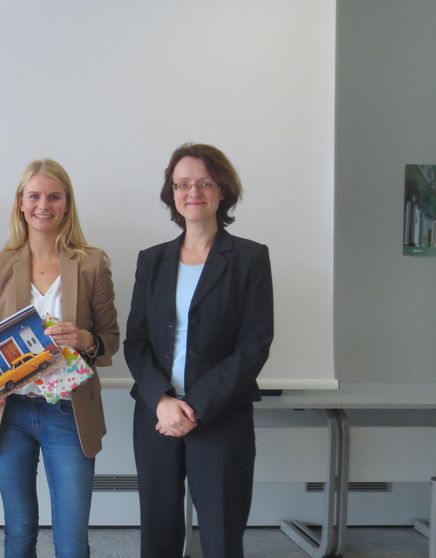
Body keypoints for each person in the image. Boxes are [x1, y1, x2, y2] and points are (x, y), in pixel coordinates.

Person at [124, 143, 274, 558]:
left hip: (221, 415)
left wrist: (196, 406)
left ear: (222, 190)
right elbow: (135, 342)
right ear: (172, 193)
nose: (193, 192)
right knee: (158, 534)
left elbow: (254, 345)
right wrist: (162, 401)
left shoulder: (249, 258)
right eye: (182, 184)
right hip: (156, 416)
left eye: (204, 182)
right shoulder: (152, 260)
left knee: (222, 535)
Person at [0, 159, 119, 558]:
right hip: (11, 413)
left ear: (67, 204)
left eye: (54, 196)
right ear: (20, 203)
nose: (44, 205)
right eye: (34, 196)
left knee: (71, 539)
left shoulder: (91, 263)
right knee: (18, 532)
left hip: (69, 414)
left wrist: (85, 337)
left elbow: (111, 341)